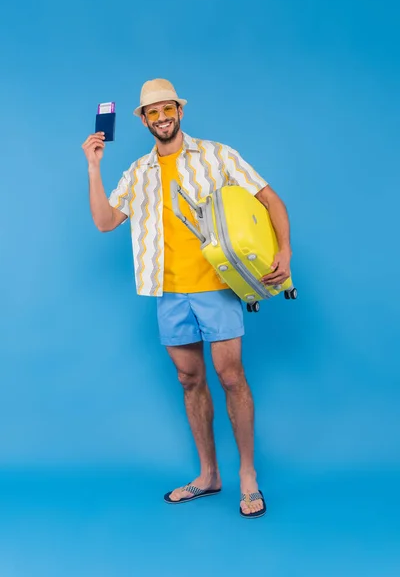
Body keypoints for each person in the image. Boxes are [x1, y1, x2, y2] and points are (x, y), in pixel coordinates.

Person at [82, 78, 292, 518]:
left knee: (231, 376)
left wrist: (284, 251)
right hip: (170, 291)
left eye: (167, 109)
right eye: (151, 113)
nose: (161, 118)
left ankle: (248, 477)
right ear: (143, 120)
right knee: (189, 380)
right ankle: (208, 475)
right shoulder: (138, 173)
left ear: (179, 110)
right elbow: (104, 222)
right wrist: (94, 166)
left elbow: (269, 198)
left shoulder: (217, 155)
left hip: (216, 286)